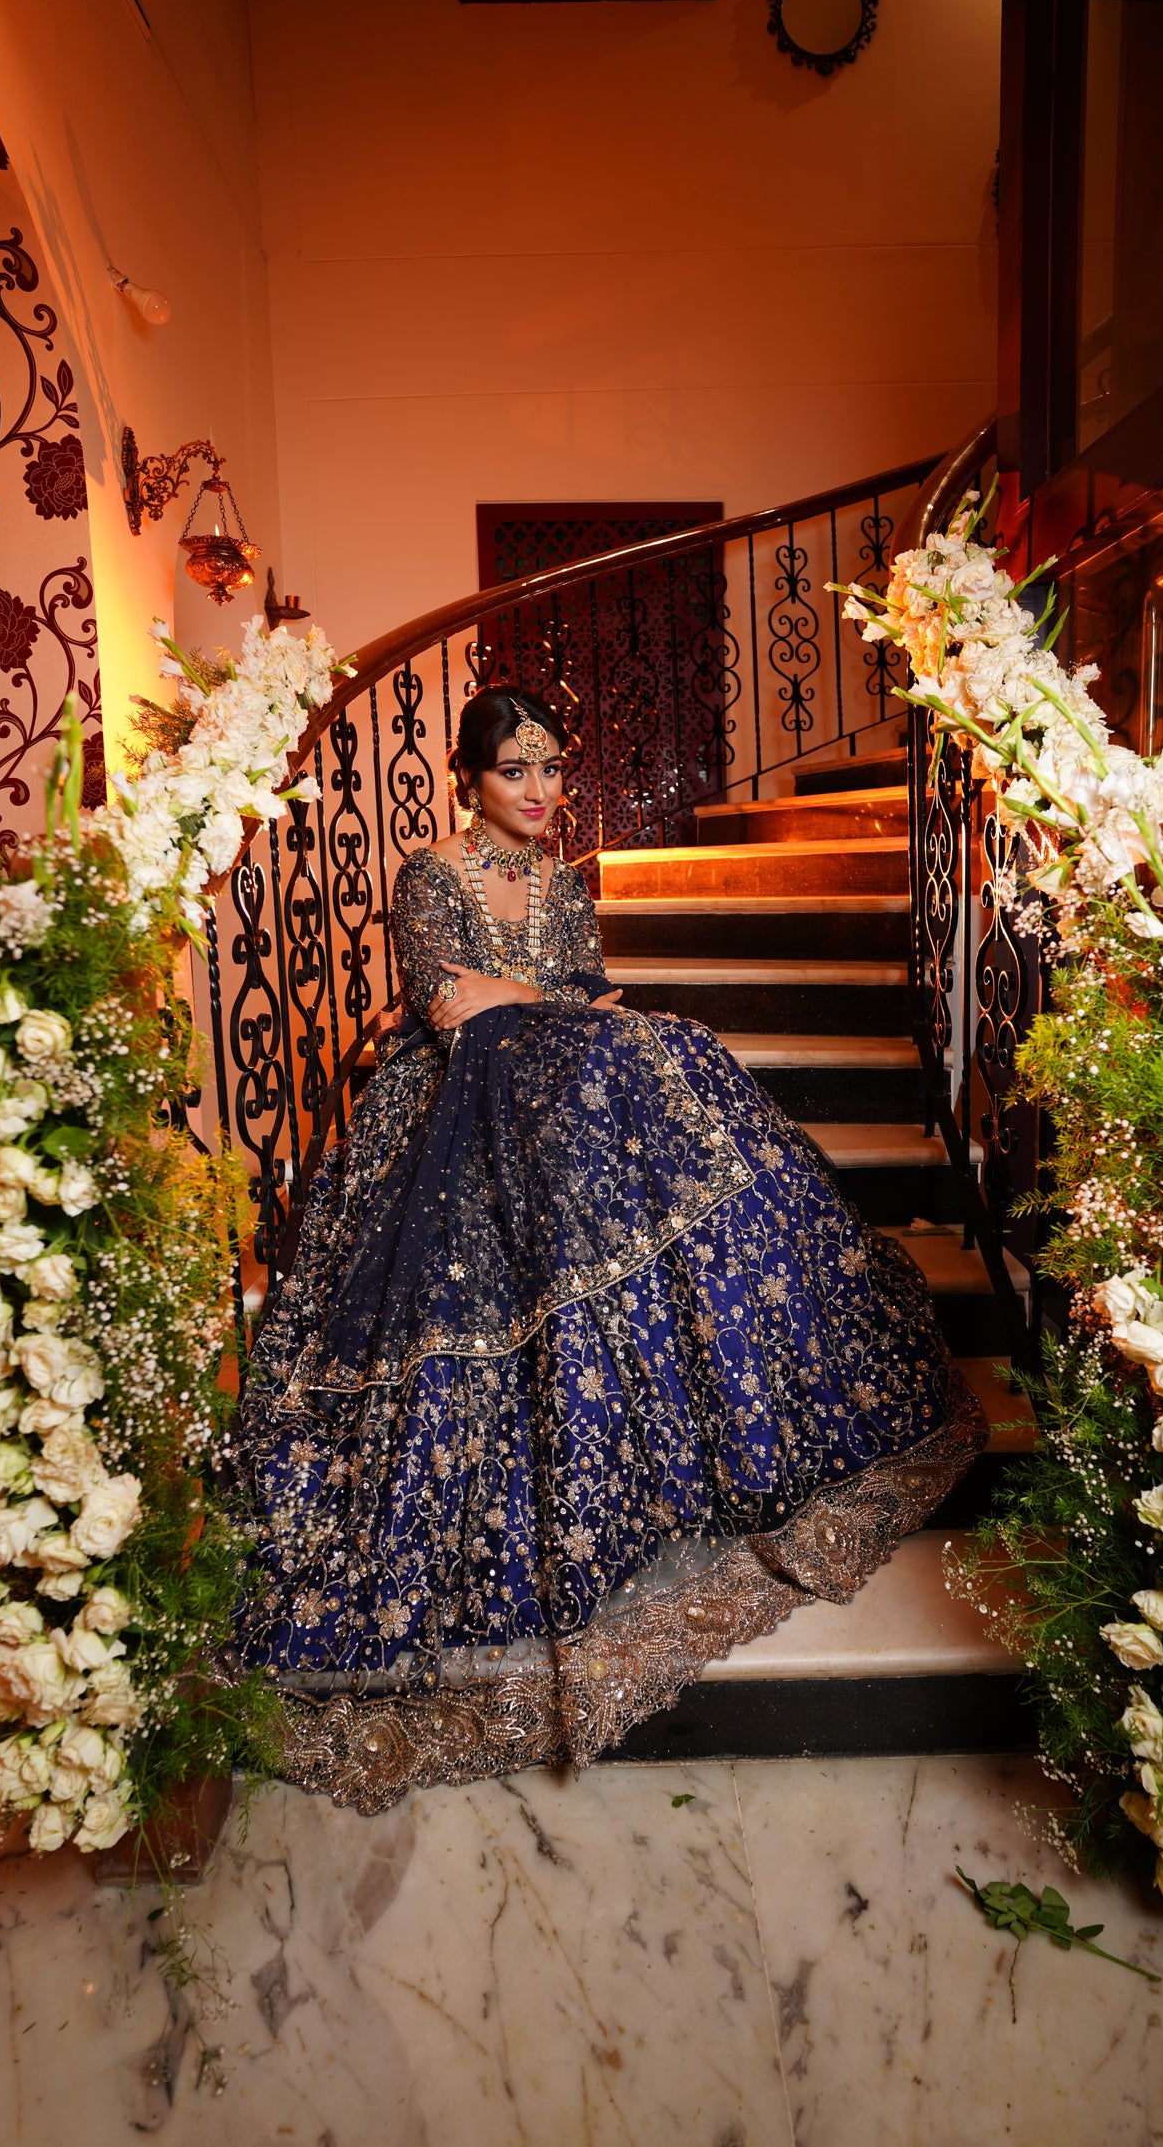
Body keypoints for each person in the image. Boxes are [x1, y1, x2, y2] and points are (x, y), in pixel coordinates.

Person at [234, 686, 984, 1811]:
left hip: (554, 1078)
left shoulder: (565, 883)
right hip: (446, 1108)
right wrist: (536, 1000)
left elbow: (580, 997)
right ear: (467, 780)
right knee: (586, 1096)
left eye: (550, 768)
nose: (541, 793)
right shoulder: (429, 876)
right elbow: (447, 1006)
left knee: (663, 1059)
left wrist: (532, 997)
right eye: (515, 771)